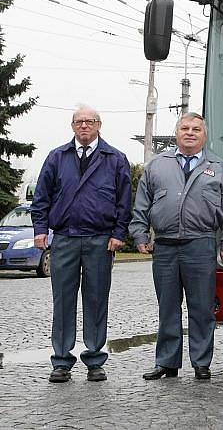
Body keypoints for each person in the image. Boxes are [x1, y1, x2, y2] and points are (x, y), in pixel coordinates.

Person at [130, 112, 223, 380]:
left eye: (196, 129)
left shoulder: (219, 166)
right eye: (185, 128)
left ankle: (201, 362)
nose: (190, 133)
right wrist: (141, 235)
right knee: (167, 306)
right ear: (177, 133)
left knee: (201, 307)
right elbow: (142, 205)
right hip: (165, 246)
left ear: (205, 135)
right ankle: (167, 362)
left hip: (201, 243)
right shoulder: (157, 165)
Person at [31, 105, 132, 383]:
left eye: (90, 121)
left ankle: (95, 359)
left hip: (100, 240)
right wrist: (41, 230)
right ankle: (61, 361)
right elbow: (41, 198)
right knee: (63, 301)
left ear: (99, 124)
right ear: (72, 126)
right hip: (64, 238)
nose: (84, 126)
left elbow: (124, 201)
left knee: (97, 299)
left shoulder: (115, 159)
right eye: (79, 122)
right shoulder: (57, 157)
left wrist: (119, 233)